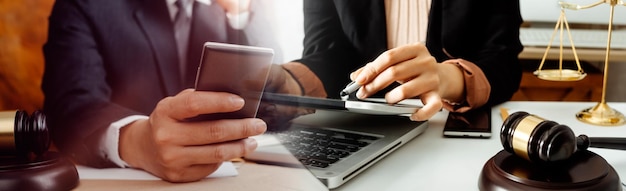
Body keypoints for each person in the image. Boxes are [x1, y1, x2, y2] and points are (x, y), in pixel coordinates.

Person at [42, 0, 318, 183]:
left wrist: (240, 14)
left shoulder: (232, 10)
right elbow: (71, 106)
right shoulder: (85, 5)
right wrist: (137, 142)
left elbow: (272, 93)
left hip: (234, 179)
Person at [285, 0, 524, 121]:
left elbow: (504, 60)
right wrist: (290, 79)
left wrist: (448, 79)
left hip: (449, 125)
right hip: (359, 125)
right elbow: (326, 50)